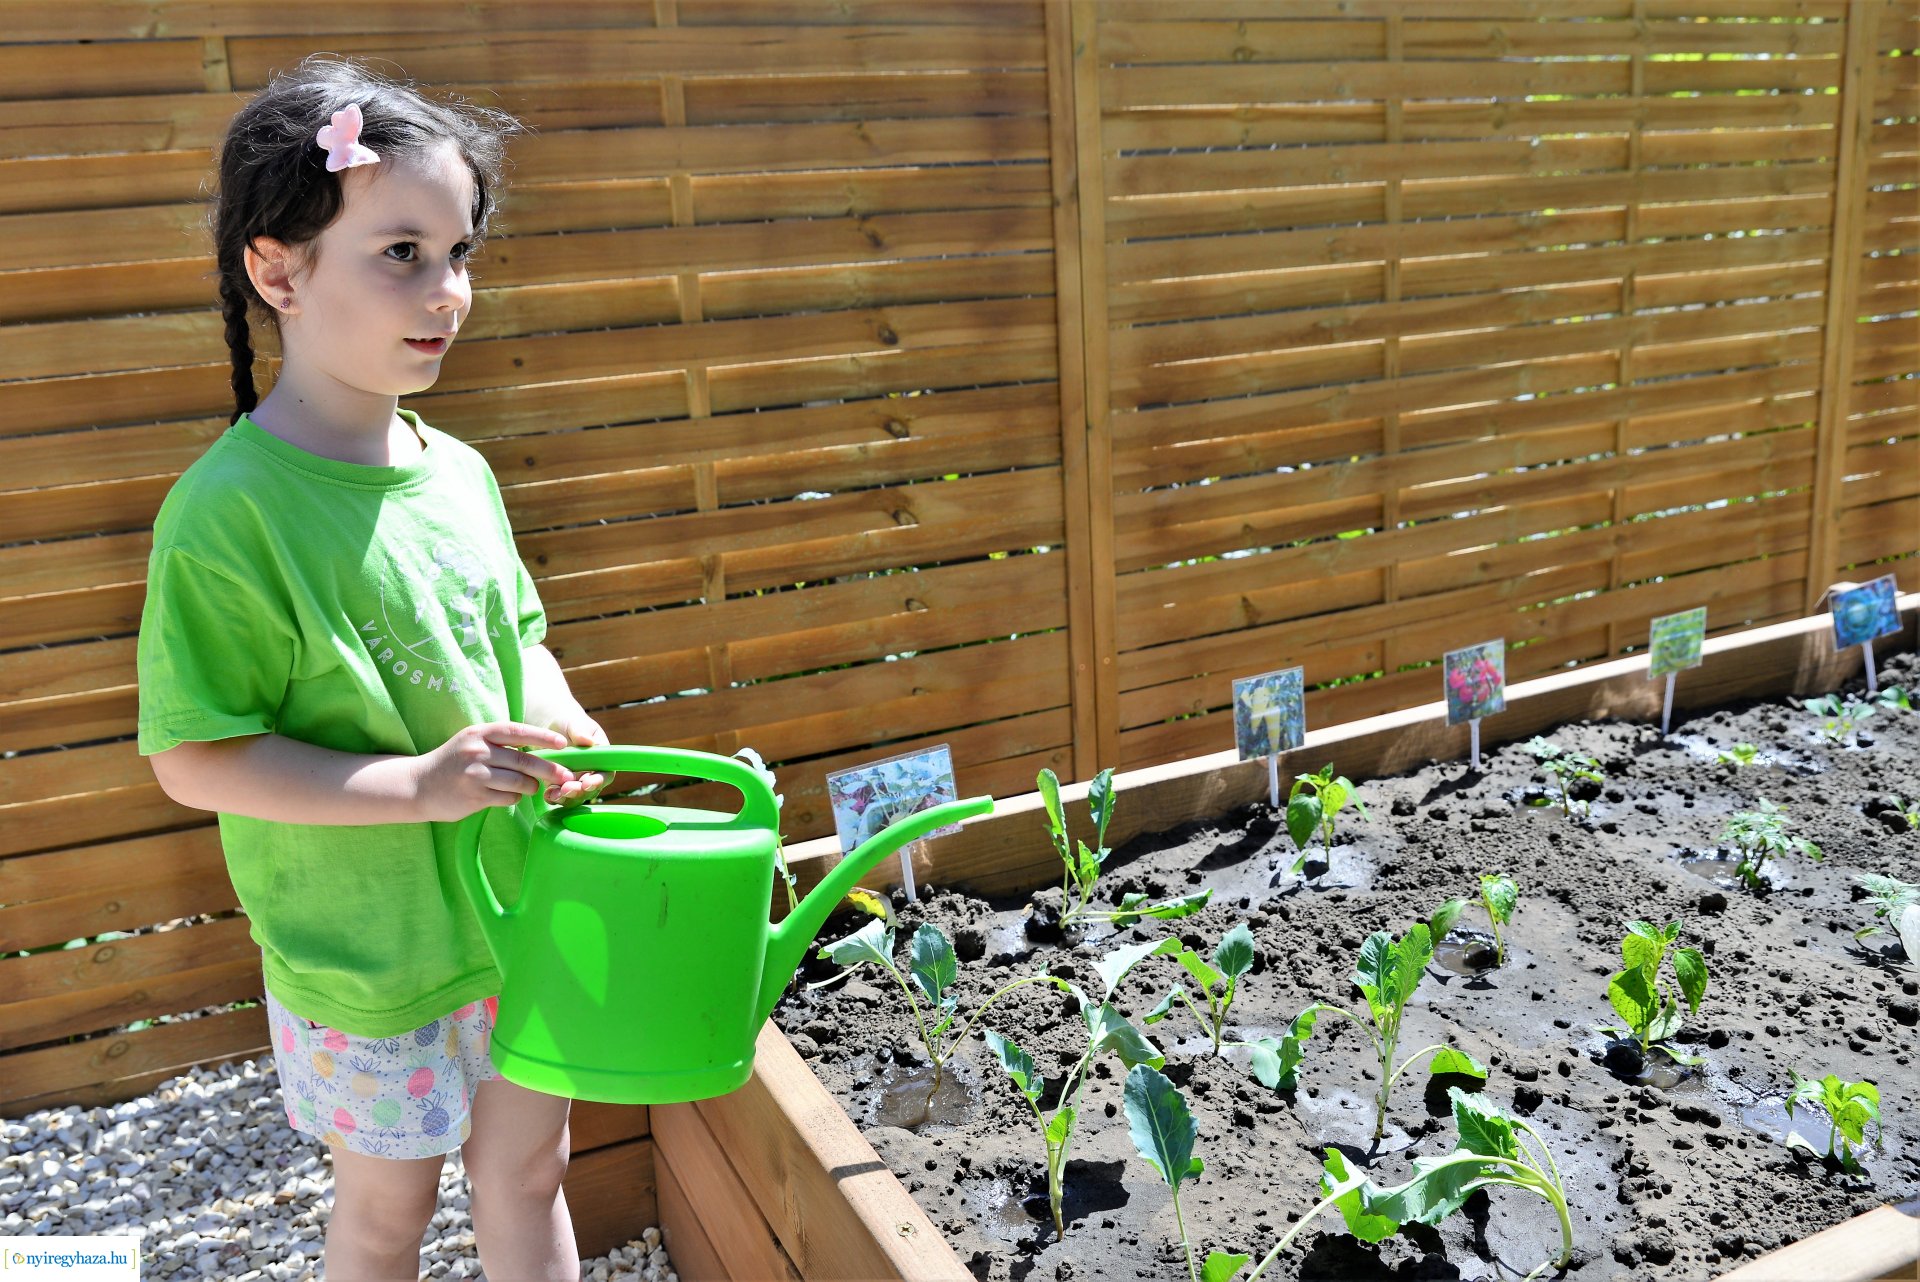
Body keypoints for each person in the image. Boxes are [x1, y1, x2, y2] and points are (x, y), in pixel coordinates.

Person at [137, 54, 604, 1282]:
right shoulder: (227, 514)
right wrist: (417, 786)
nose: (447, 290)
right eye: (401, 251)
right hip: (366, 963)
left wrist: (557, 717)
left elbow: (521, 640)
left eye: (460, 253)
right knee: (387, 1221)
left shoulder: (460, 473)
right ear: (279, 270)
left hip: (518, 918)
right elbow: (195, 757)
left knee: (532, 1175)